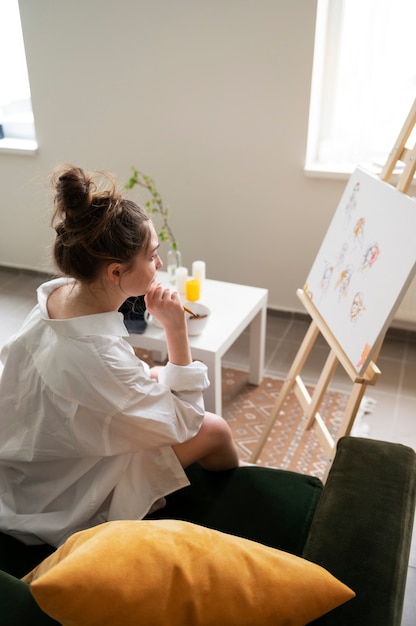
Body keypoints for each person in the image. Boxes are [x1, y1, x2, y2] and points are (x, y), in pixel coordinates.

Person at [0, 164, 240, 548]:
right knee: (215, 429)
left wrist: (147, 380)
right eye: (153, 256)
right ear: (115, 272)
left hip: (32, 460)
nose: (159, 265)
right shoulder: (100, 357)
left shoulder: (58, 295)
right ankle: (232, 499)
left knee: (159, 378)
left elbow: (100, 384)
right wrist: (176, 332)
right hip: (64, 489)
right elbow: (186, 422)